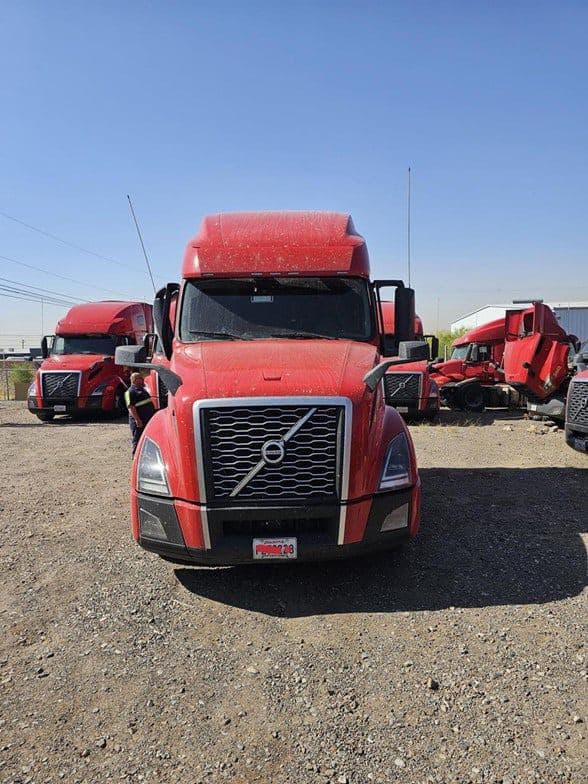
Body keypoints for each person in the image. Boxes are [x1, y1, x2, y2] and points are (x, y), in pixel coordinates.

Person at [125, 372, 155, 455]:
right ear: (134, 380)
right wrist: (137, 420)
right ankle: (135, 455)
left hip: (147, 419)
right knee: (137, 439)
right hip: (139, 420)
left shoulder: (143, 389)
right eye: (140, 378)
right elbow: (130, 407)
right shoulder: (129, 392)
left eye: (142, 378)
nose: (142, 380)